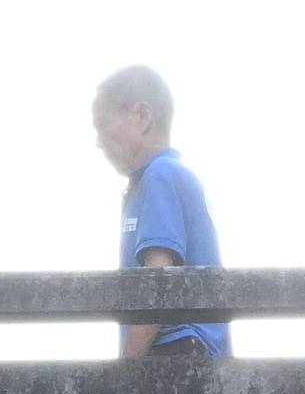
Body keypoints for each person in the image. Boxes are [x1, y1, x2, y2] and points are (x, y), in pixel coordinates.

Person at [91, 63, 229, 366]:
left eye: (103, 124)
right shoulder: (156, 180)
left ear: (141, 117)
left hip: (177, 346)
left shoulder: (160, 176)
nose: (99, 141)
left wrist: (122, 374)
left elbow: (157, 281)